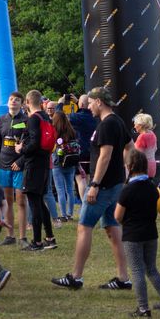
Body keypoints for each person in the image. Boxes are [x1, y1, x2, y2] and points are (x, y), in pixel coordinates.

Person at [51, 86, 132, 292]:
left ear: (98, 102)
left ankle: (76, 276)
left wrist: (94, 185)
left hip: (103, 186)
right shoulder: (118, 122)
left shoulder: (106, 125)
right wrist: (127, 173)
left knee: (84, 227)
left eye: (90, 103)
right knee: (113, 229)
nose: (87, 107)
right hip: (115, 184)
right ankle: (124, 278)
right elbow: (130, 148)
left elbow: (105, 156)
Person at [114, 147, 160, 318]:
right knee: (152, 269)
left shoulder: (127, 190)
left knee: (138, 270)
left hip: (133, 235)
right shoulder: (152, 187)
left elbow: (118, 216)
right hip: (151, 233)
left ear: (130, 167)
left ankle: (143, 308)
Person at [17, 90, 56, 252]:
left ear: (27, 102)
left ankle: (37, 242)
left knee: (34, 203)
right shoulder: (45, 117)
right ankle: (50, 237)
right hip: (45, 162)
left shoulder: (33, 119)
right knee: (40, 201)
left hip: (34, 165)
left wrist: (21, 149)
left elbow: (34, 143)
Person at [0, 92, 28, 248]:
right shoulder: (1, 120)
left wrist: (20, 161)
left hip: (19, 166)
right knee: (7, 201)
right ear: (8, 103)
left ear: (22, 104)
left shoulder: (26, 120)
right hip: (3, 165)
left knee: (21, 200)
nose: (13, 102)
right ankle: (10, 235)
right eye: (11, 99)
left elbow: (29, 145)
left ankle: (23, 237)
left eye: (17, 100)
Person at [51, 109, 80, 223]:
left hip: (57, 163)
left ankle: (63, 215)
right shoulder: (71, 130)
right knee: (69, 189)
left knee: (60, 190)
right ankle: (70, 214)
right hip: (71, 162)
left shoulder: (54, 131)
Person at [69, 94, 98, 199]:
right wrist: (79, 102)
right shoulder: (96, 116)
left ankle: (84, 204)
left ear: (80, 104)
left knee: (81, 179)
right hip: (94, 152)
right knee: (90, 178)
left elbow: (62, 116)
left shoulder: (77, 117)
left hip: (81, 152)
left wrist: (60, 103)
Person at [133, 113, 157, 178]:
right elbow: (155, 149)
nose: (134, 126)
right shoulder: (152, 134)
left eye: (135, 124)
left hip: (143, 169)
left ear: (140, 125)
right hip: (152, 167)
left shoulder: (142, 137)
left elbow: (137, 155)